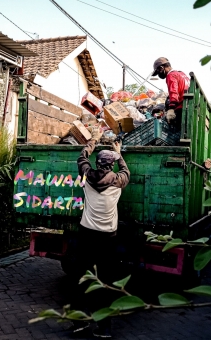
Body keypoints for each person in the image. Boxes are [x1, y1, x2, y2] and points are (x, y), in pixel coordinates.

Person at [73, 128, 130, 338]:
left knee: (82, 280)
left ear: (98, 163)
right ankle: (104, 328)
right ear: (111, 164)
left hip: (86, 236)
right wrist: (120, 152)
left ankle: (79, 323)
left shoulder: (87, 175)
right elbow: (126, 171)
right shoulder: (118, 181)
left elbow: (82, 157)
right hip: (107, 240)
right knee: (105, 284)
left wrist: (93, 141)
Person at [152, 57, 190, 128]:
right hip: (188, 106)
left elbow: (173, 92)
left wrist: (171, 108)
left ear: (161, 68)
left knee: (160, 118)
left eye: (158, 72)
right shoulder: (182, 74)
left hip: (181, 109)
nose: (159, 75)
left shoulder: (171, 75)